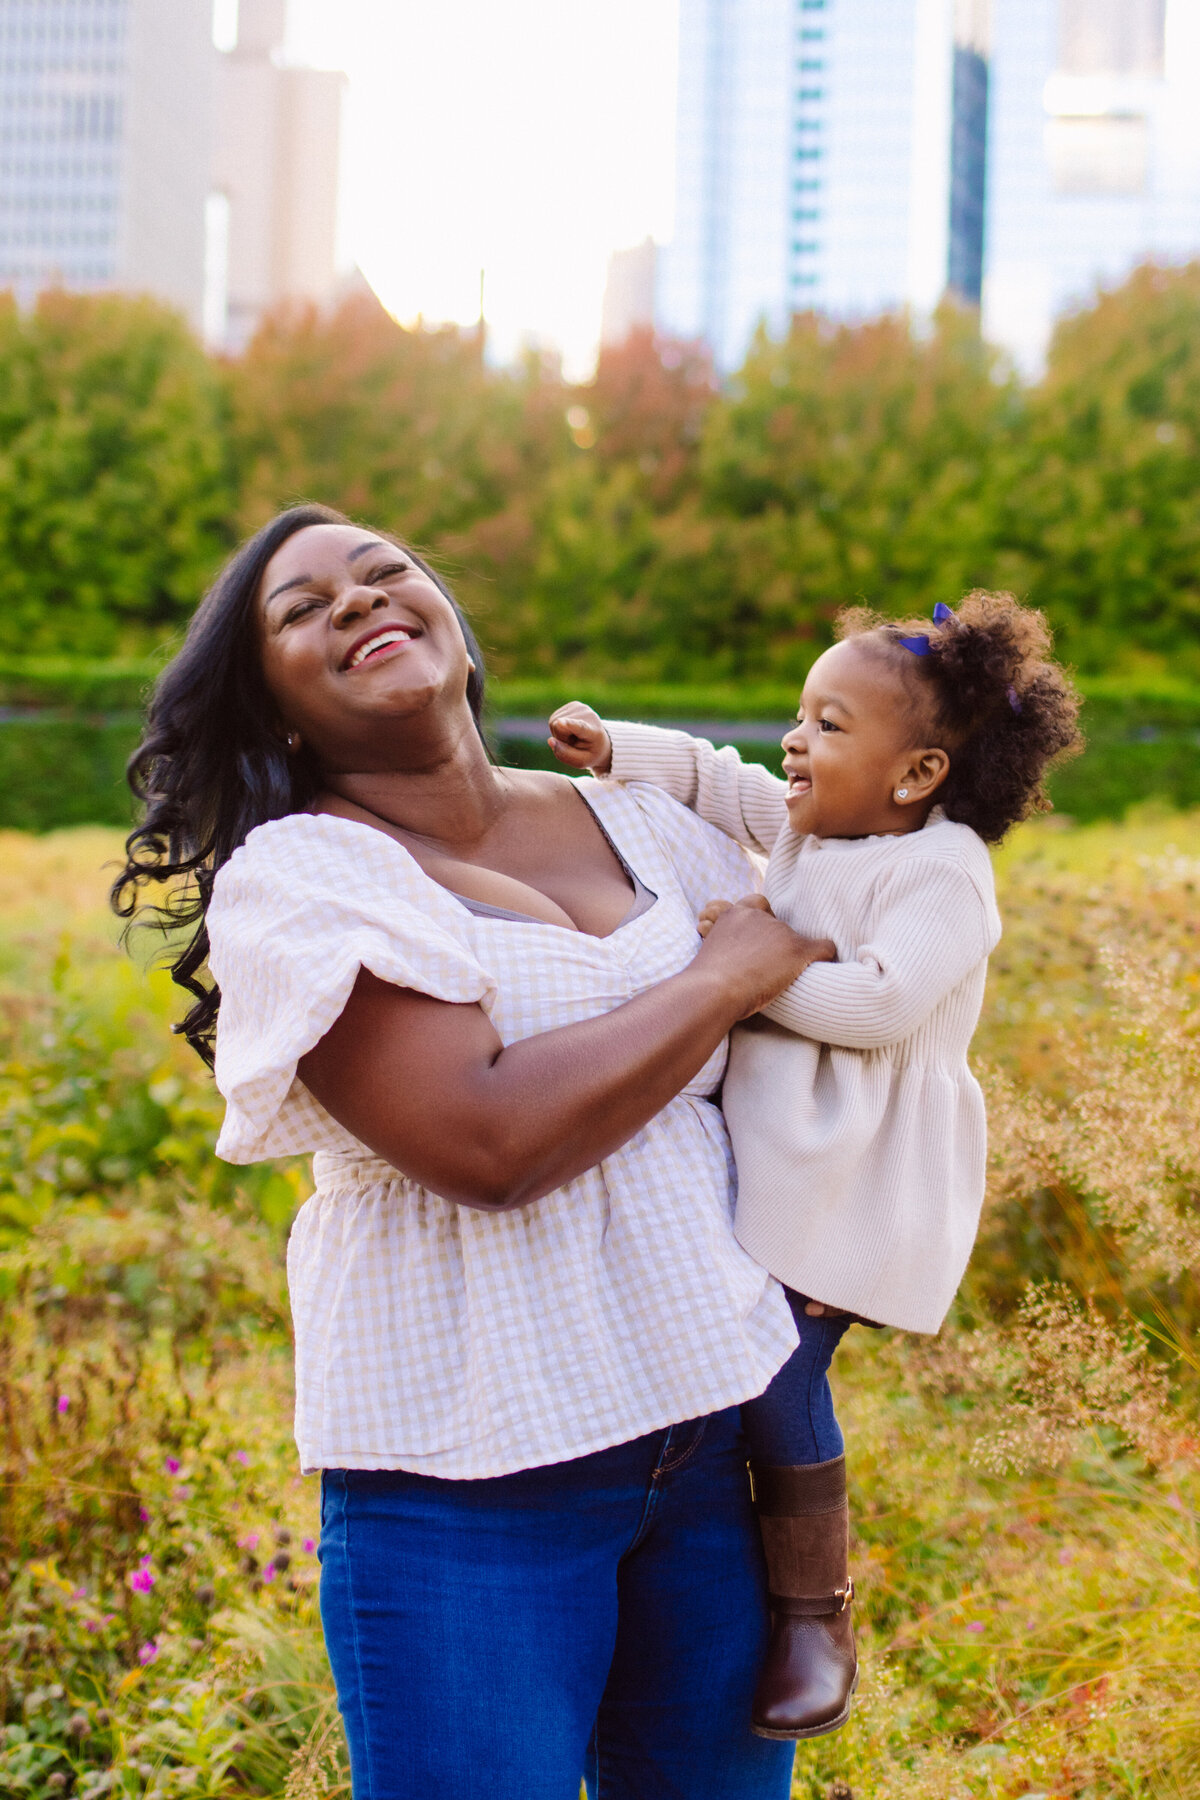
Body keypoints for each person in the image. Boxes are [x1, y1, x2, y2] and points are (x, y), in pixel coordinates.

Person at [112, 503, 840, 1800]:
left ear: (449, 622)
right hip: (470, 1481)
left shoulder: (651, 823)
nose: (357, 598)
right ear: (272, 701)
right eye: (301, 608)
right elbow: (489, 1142)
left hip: (717, 1443)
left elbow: (842, 988)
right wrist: (718, 978)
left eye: (384, 571)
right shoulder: (304, 878)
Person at [547, 591, 1083, 1741]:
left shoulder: (943, 874)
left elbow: (882, 1006)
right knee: (745, 1364)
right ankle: (733, 1566)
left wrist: (748, 970)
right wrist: (621, 751)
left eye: (829, 726)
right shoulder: (811, 825)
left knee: (781, 1374)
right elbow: (730, 782)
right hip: (789, 1157)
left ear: (917, 775)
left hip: (862, 1173)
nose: (795, 742)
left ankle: (812, 1612)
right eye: (802, 713)